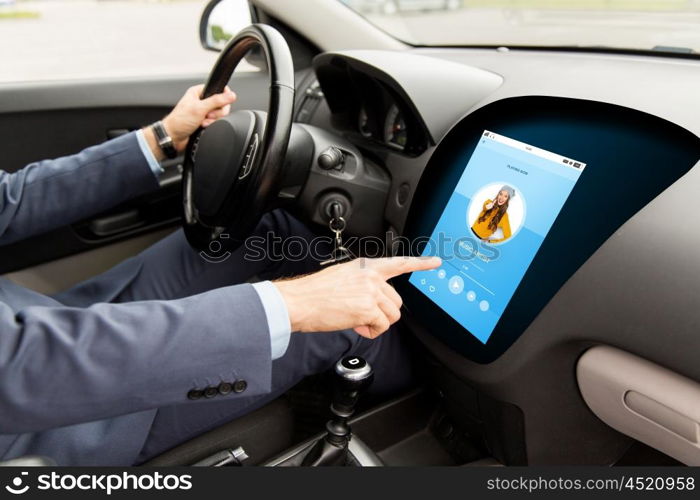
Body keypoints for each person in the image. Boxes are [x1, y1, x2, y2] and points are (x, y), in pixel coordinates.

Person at [0, 85, 441, 466]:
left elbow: (8, 201)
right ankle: (440, 414)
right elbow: (22, 366)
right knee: (349, 324)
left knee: (270, 232)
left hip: (44, 321)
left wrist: (163, 137)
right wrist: (297, 303)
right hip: (50, 417)